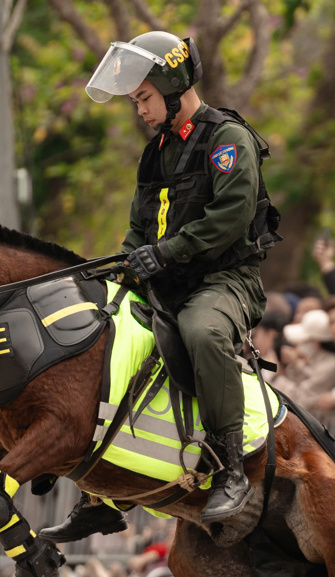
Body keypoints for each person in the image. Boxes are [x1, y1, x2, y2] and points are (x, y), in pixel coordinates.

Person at [44, 30, 278, 541]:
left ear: (174, 89)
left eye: (144, 99)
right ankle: (99, 494)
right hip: (163, 279)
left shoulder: (227, 140)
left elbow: (231, 218)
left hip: (224, 281)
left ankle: (231, 467)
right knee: (100, 335)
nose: (140, 111)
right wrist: (122, 264)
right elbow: (137, 226)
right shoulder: (155, 153)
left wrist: (165, 253)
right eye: (135, 103)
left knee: (201, 333)